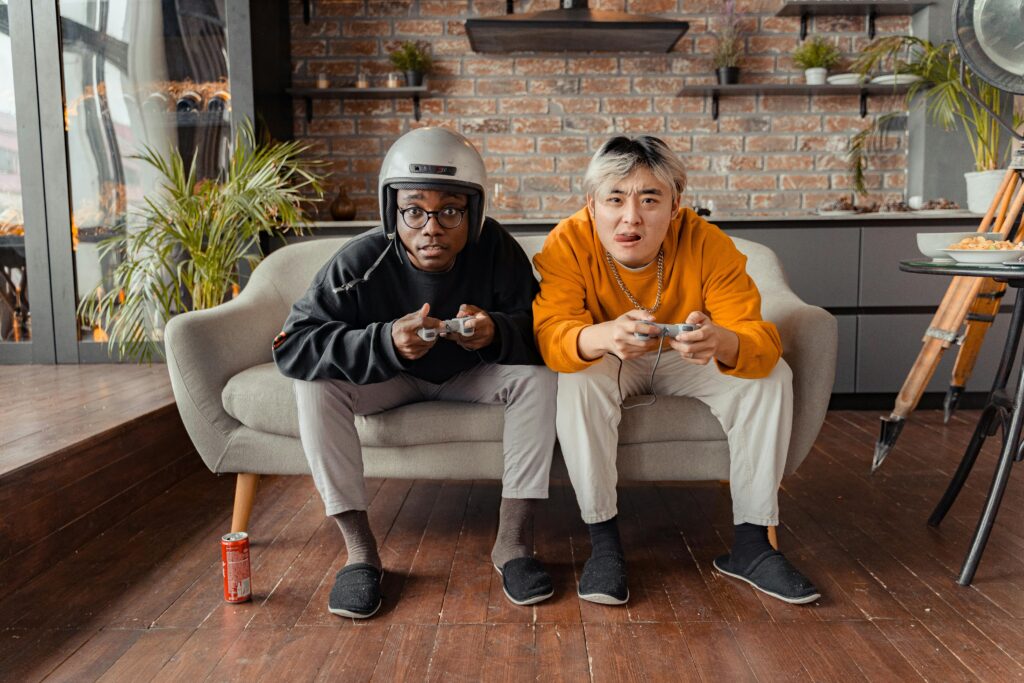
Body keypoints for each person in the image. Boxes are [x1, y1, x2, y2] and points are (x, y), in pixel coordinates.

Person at [274, 127, 556, 618]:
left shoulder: (498, 251)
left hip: (472, 374)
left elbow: (548, 330)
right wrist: (383, 341)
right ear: (392, 212)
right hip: (391, 379)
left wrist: (496, 333)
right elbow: (292, 346)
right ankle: (360, 555)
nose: (432, 227)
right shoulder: (359, 261)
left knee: (540, 378)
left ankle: (512, 544)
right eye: (414, 210)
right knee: (314, 385)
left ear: (475, 212)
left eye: (450, 210)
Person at [532, 135, 819, 606]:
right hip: (610, 358)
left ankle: (752, 544)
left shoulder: (707, 242)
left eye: (649, 199)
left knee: (772, 376)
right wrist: (604, 335)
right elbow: (551, 336)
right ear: (591, 204)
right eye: (615, 199)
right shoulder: (568, 242)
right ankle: (604, 546)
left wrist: (721, 339)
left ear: (676, 204)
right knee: (577, 378)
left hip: (688, 358)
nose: (631, 218)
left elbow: (761, 342)